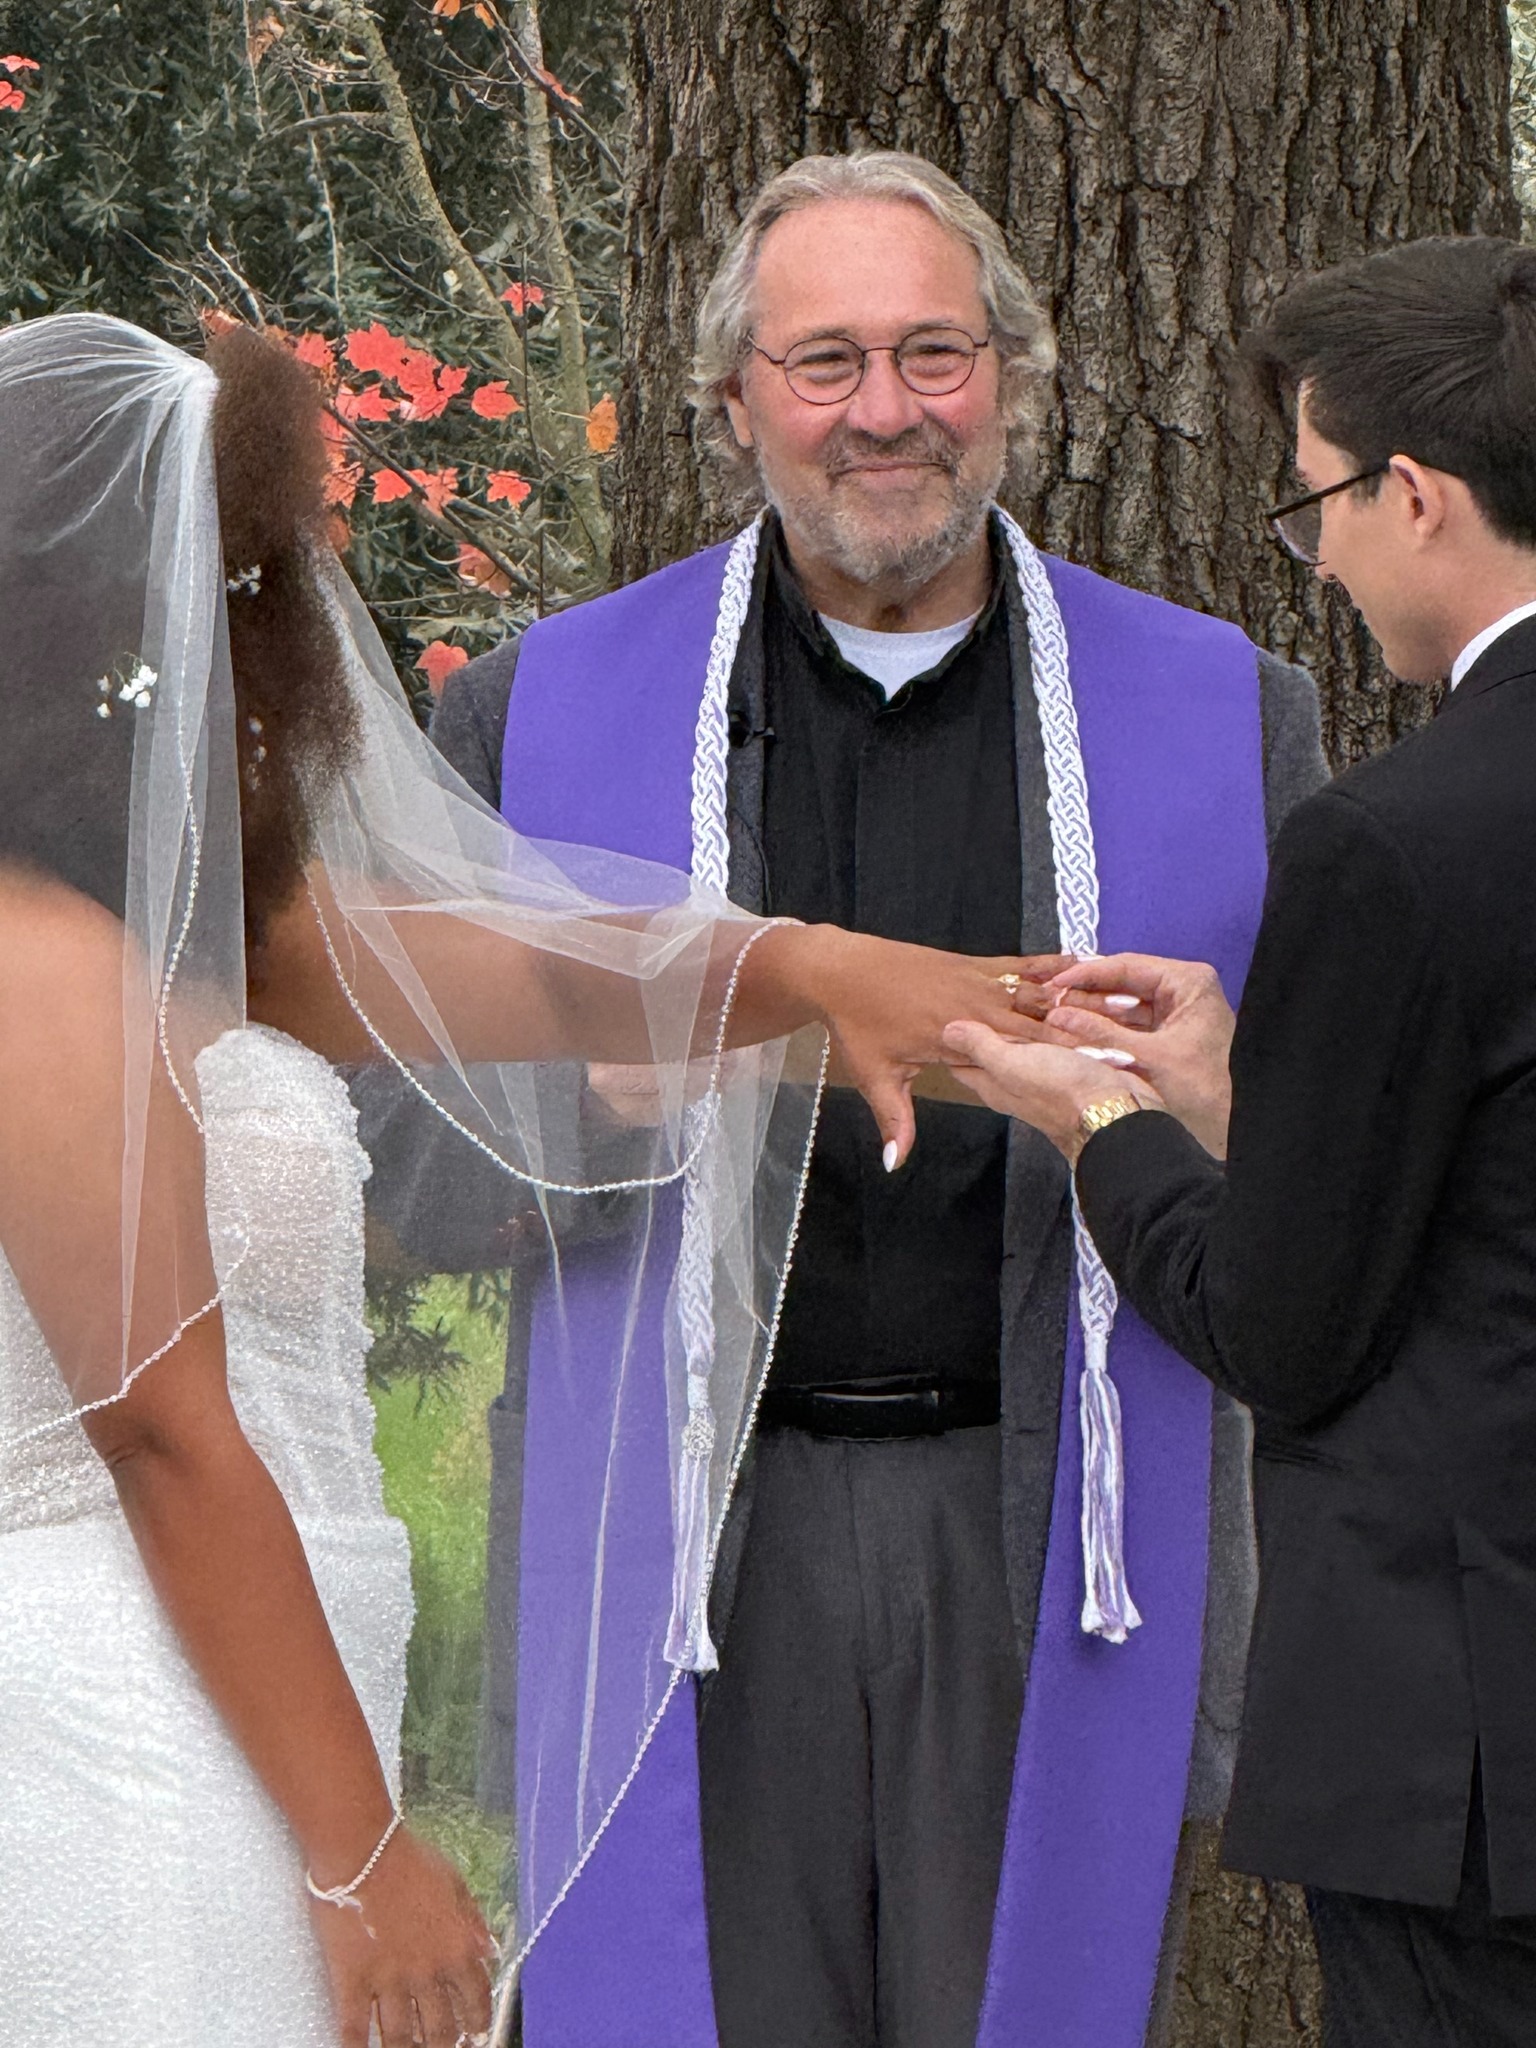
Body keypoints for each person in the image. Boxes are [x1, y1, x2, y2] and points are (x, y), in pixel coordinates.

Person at [0, 313, 1041, 2048]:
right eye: (240, 589)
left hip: (272, 1683)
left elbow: (542, 976)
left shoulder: (177, 924)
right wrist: (363, 1859)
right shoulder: (36, 963)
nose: (279, 636)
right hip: (131, 1711)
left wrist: (839, 971)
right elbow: (160, 1430)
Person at [404, 150, 1328, 2048]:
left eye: (935, 353)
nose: (888, 413)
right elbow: (399, 1164)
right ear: (732, 393)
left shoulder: (1231, 718)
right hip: (688, 1555)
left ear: (1015, 378)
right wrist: (607, 1100)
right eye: (825, 363)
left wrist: (1230, 1112)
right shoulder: (534, 718)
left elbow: (1345, 1182)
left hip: (1057, 1533)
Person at [943, 234, 1536, 2048]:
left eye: (1321, 507)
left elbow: (1285, 1322)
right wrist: (1247, 1089)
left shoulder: (1398, 839)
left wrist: (1108, 1126)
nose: (1326, 558)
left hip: (1473, 1759)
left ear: (1416, 494)